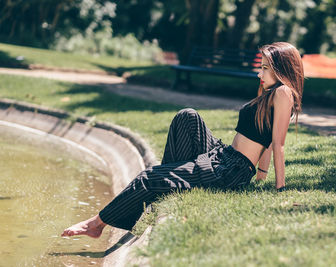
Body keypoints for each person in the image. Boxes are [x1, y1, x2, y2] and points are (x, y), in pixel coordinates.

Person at [61, 42, 304, 238]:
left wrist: (279, 189)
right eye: (260, 67)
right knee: (187, 117)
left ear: (281, 69)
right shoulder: (270, 93)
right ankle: (169, 181)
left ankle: (96, 225)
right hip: (225, 156)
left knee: (149, 177)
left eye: (264, 68)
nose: (259, 72)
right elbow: (266, 139)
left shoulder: (282, 93)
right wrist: (261, 175)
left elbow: (277, 144)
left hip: (230, 171)